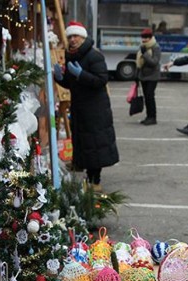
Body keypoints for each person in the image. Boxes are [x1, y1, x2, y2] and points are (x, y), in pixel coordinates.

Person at [53, 21, 119, 192]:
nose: (72, 39)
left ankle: (95, 181)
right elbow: (70, 83)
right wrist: (60, 77)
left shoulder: (94, 55)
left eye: (75, 36)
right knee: (83, 142)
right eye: (70, 37)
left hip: (95, 109)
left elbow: (101, 80)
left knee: (94, 144)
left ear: (83, 37)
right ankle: (81, 166)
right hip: (80, 107)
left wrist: (82, 75)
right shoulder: (72, 55)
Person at [135, 28, 161, 126]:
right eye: (143, 38)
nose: (144, 40)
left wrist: (145, 53)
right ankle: (148, 116)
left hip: (152, 76)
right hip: (143, 76)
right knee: (146, 97)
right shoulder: (143, 46)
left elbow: (154, 62)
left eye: (146, 38)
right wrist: (136, 75)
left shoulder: (155, 47)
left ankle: (152, 117)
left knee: (150, 97)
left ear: (150, 38)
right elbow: (139, 62)